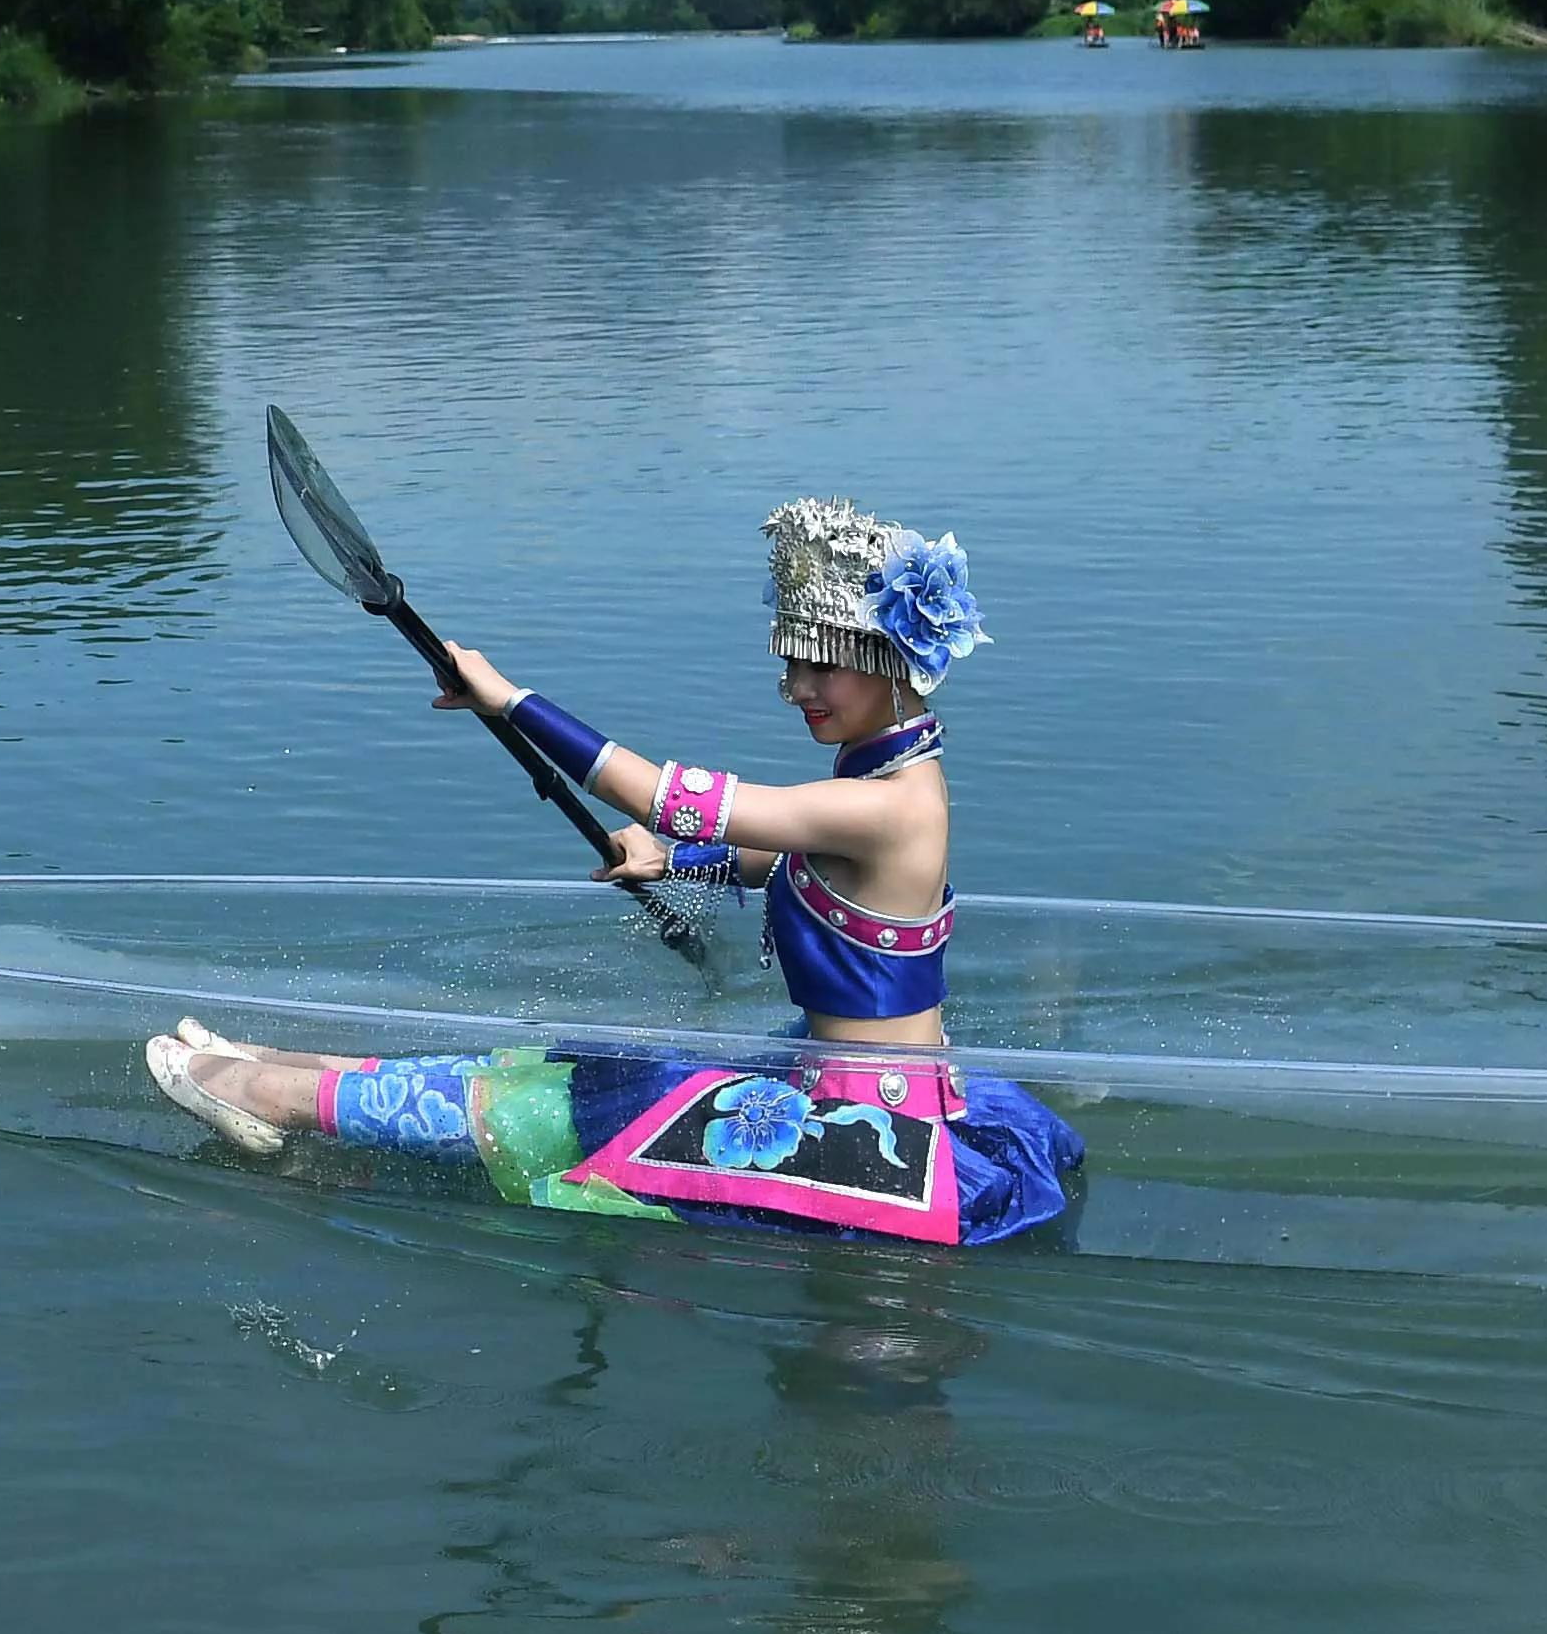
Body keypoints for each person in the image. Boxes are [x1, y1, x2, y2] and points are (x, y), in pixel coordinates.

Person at [145, 499, 1084, 1246]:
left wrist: (511, 701)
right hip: (832, 1082)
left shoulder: (890, 804)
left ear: (886, 660)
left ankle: (267, 1096)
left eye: (820, 667)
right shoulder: (885, 778)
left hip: (863, 1129)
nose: (797, 689)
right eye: (792, 665)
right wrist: (674, 862)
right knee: (559, 1075)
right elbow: (771, 852)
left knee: (564, 1105)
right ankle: (290, 1075)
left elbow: (681, 797)